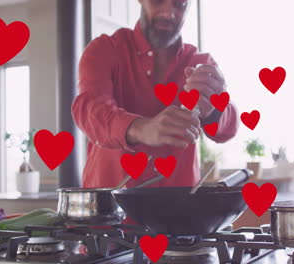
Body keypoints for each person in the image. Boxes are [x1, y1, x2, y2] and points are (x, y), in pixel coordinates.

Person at [72, 0, 238, 188]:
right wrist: (141, 128)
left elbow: (228, 129)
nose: (168, 13)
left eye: (179, 4)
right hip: (109, 210)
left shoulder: (200, 62)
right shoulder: (104, 50)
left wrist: (213, 110)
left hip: (179, 210)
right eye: (158, 1)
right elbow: (90, 110)